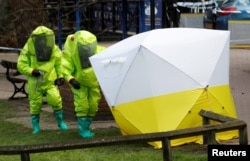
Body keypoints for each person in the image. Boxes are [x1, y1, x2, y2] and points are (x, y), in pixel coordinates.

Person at [17, 26, 68, 134]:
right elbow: (21, 65)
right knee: (35, 103)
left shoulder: (53, 48)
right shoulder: (28, 49)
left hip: (50, 80)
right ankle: (36, 127)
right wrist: (31, 71)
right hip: (35, 82)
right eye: (40, 39)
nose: (43, 41)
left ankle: (60, 122)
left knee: (55, 99)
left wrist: (60, 76)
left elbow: (59, 64)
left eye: (45, 38)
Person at [62, 30, 105, 138]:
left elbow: (107, 55)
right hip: (79, 83)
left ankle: (86, 127)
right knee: (82, 105)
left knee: (94, 104)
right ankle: (83, 130)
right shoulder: (71, 52)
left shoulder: (96, 50)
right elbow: (65, 68)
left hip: (93, 82)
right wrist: (71, 80)